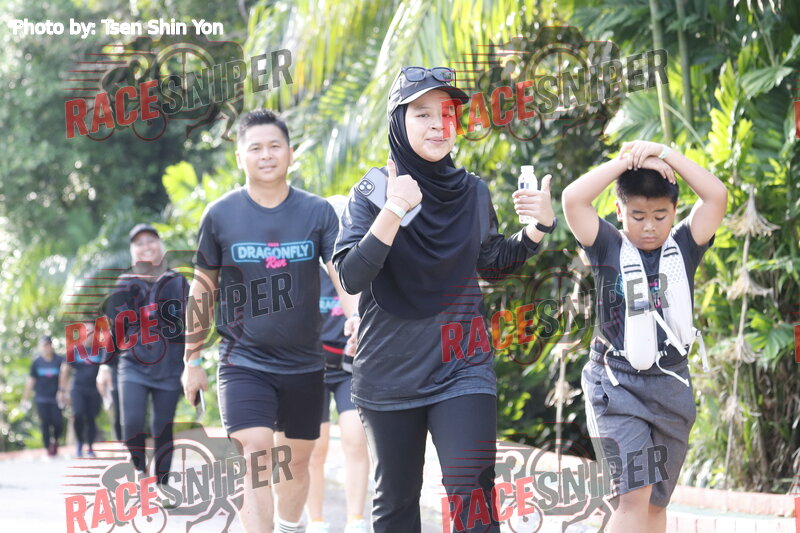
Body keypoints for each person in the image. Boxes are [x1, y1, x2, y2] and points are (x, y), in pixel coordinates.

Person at [333, 66, 556, 533]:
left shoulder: (472, 191)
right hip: (390, 370)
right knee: (397, 501)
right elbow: (351, 275)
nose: (438, 125)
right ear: (398, 122)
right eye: (422, 114)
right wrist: (394, 207)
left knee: (472, 490)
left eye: (447, 114)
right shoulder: (373, 191)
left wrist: (537, 229)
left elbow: (489, 263)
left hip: (462, 362)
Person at [181, 109, 359, 533]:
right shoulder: (220, 215)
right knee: (255, 453)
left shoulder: (317, 212)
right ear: (240, 156)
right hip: (243, 360)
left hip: (305, 362)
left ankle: (290, 525)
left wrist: (355, 316)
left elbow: (341, 272)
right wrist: (192, 358)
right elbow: (202, 289)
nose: (266, 155)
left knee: (296, 462)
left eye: (275, 146)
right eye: (256, 148)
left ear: (290, 153)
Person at [561, 140, 727, 533]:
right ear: (619, 211)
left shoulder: (685, 245)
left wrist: (664, 153)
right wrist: (627, 161)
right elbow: (573, 199)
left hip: (670, 385)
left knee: (655, 503)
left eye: (659, 215)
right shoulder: (606, 245)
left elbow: (716, 196)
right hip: (616, 385)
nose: (649, 226)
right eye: (637, 215)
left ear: (674, 212)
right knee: (633, 495)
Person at [103, 223, 189, 486]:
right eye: (139, 243)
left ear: (160, 245)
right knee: (132, 423)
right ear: (133, 251)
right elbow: (114, 328)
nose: (146, 247)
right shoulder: (124, 284)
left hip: (170, 366)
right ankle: (139, 467)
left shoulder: (177, 281)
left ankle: (162, 484)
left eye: (151, 240)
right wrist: (105, 366)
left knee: (163, 427)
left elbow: (191, 325)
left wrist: (192, 363)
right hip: (132, 364)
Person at [306, 195, 369, 533]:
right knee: (314, 448)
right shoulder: (303, 269)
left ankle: (355, 521)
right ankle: (315, 521)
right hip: (311, 369)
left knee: (355, 439)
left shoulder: (362, 264)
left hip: (350, 366)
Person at [59, 321, 106, 457]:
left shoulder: (101, 350)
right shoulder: (74, 350)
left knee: (91, 418)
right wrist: (62, 391)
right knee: (78, 415)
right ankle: (80, 442)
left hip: (94, 390)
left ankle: (90, 447)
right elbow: (65, 370)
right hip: (78, 389)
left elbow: (106, 370)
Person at [21, 335, 65, 457]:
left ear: (51, 346)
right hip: (41, 398)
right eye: (43, 346)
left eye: (47, 345)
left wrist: (63, 392)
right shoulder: (36, 362)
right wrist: (25, 398)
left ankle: (55, 440)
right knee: (45, 423)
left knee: (58, 423)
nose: (46, 348)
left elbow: (64, 377)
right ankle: (47, 447)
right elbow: (31, 380)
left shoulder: (59, 360)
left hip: (56, 398)